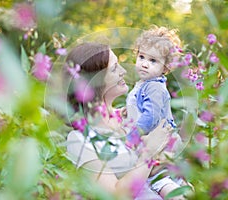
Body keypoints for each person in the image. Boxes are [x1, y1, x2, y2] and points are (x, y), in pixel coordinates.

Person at [65, 42, 173, 199]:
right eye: (115, 68)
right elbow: (115, 195)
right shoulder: (79, 140)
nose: (123, 71)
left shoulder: (128, 118)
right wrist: (150, 152)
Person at [125, 26, 188, 198]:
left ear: (165, 68)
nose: (144, 63)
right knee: (167, 179)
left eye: (153, 61)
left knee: (160, 182)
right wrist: (126, 111)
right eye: (142, 57)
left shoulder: (153, 86)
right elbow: (140, 108)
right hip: (157, 142)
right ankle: (185, 187)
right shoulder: (144, 83)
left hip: (159, 144)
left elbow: (151, 117)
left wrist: (131, 138)